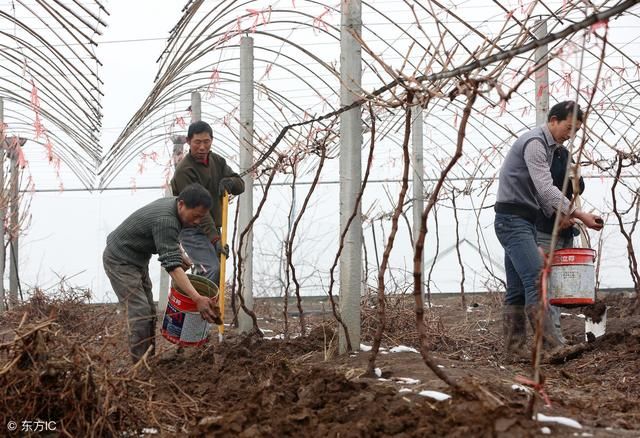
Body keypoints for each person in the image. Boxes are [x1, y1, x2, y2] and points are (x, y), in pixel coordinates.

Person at [494, 101, 603, 361]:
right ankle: (551, 347)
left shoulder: (552, 149)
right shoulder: (535, 143)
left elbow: (541, 197)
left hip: (522, 220)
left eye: (575, 130)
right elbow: (545, 187)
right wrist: (578, 213)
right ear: (553, 120)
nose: (570, 134)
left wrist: (561, 216)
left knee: (518, 288)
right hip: (512, 220)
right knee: (536, 280)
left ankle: (514, 350)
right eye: (568, 127)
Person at [103, 183, 221, 363]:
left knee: (149, 311)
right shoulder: (166, 219)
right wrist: (197, 298)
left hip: (137, 259)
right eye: (196, 216)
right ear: (181, 204)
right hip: (120, 260)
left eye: (201, 217)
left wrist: (178, 253)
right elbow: (173, 267)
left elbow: (167, 240)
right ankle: (140, 369)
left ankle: (148, 361)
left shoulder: (173, 207)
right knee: (140, 312)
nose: (197, 221)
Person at [170, 121, 245, 285]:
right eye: (197, 142)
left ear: (212, 140)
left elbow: (240, 184)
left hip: (211, 228)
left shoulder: (217, 161)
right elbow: (198, 212)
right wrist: (215, 239)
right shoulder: (184, 171)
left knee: (211, 272)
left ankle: (194, 304)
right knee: (211, 268)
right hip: (191, 229)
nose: (202, 147)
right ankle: (196, 308)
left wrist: (230, 182)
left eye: (206, 141)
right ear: (189, 141)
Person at [535, 145, 585, 344]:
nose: (568, 134)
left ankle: (554, 334)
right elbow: (544, 192)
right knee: (546, 284)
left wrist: (577, 180)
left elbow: (578, 188)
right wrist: (561, 213)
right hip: (546, 228)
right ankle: (548, 337)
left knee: (558, 285)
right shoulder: (539, 154)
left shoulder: (564, 154)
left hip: (566, 228)